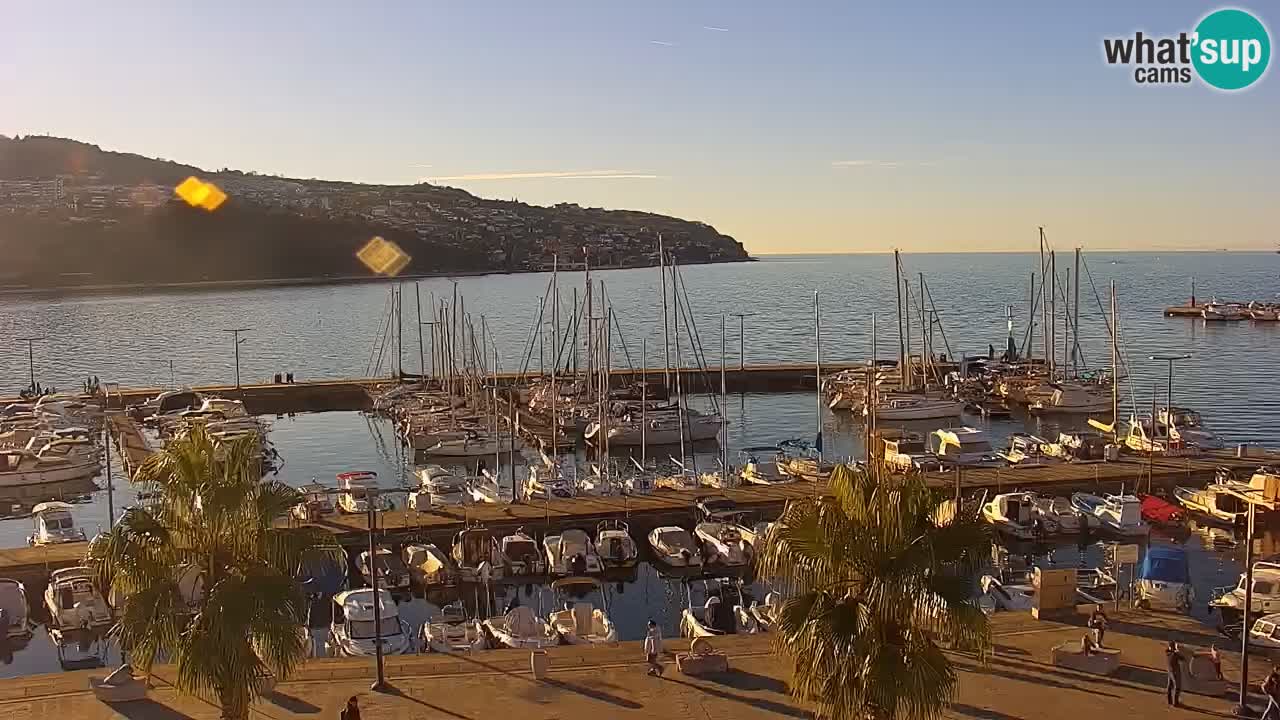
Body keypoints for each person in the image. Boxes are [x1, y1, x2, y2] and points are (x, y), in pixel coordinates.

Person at [1166, 641, 1184, 708]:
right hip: (1175, 672)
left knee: (1169, 686)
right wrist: (1177, 651)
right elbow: (1183, 659)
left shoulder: (1167, 652)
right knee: (1177, 687)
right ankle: (1175, 703)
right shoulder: (1175, 654)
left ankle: (1169, 701)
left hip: (1169, 671)